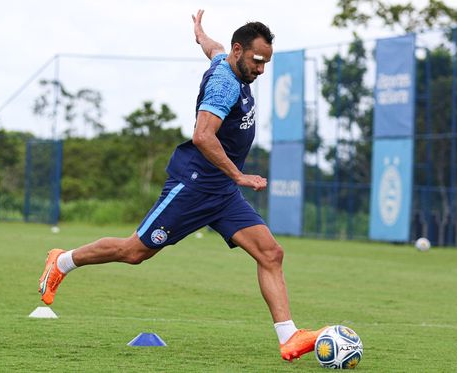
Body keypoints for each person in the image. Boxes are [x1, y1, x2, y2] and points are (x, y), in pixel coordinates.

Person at [38, 9, 326, 361]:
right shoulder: (224, 84)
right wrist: (239, 176)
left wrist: (200, 33)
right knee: (134, 252)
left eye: (266, 62)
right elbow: (203, 136)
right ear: (239, 51)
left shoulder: (226, 58)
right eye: (256, 60)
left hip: (220, 192)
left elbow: (213, 47)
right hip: (194, 185)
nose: (261, 69)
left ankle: (289, 337)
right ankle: (62, 261)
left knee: (271, 253)